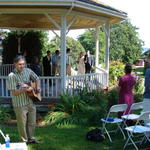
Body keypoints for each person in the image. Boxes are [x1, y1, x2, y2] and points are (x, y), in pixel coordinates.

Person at [7, 55, 41, 144]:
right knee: (22, 124)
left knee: (32, 122)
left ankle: (31, 138)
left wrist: (37, 87)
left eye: (23, 64)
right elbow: (14, 92)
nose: (22, 66)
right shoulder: (12, 76)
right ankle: (24, 141)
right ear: (14, 64)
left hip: (30, 100)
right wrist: (25, 89)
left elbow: (37, 78)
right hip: (19, 103)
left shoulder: (28, 71)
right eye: (19, 64)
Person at [143, 64, 150, 136]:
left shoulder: (148, 71)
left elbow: (148, 87)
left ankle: (148, 136)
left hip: (148, 98)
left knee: (146, 117)